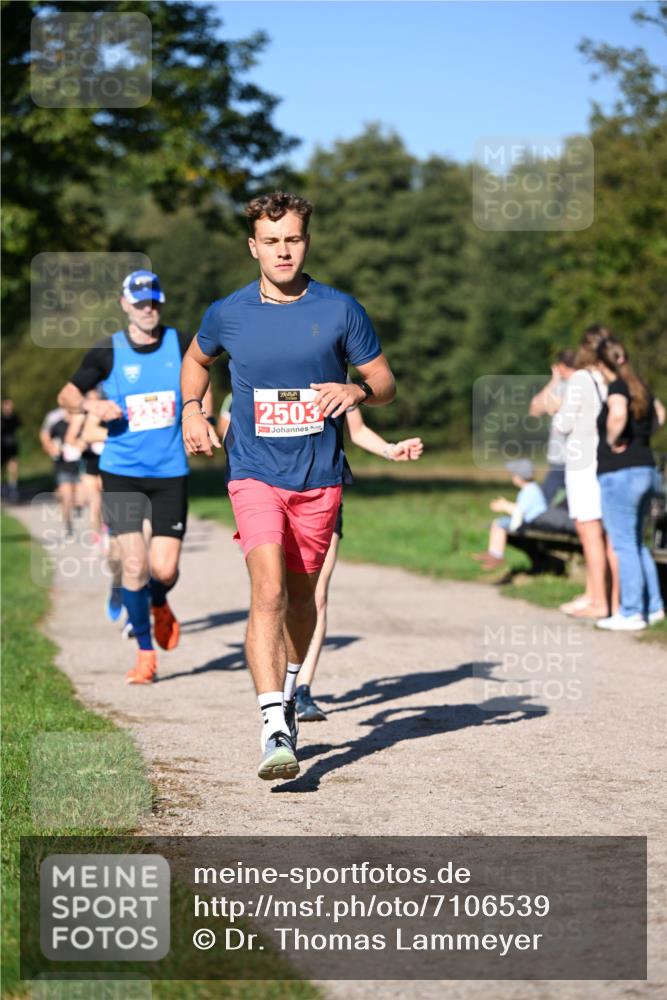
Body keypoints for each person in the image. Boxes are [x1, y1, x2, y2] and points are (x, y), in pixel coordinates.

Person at [181, 190, 396, 781]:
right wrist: (191, 412)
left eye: (293, 239)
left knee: (303, 602)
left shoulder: (340, 310)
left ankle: (294, 685)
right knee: (269, 591)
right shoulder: (228, 312)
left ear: (307, 241)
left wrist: (355, 391)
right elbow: (197, 362)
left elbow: (384, 382)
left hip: (319, 476)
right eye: (271, 241)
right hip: (252, 471)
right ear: (253, 246)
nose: (283, 251)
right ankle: (273, 722)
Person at [57, 270, 213, 684]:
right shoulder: (107, 351)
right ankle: (145, 654)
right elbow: (68, 395)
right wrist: (93, 409)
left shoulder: (181, 343)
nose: (148, 309)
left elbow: (203, 379)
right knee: (132, 561)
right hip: (121, 471)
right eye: (140, 302)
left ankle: (159, 602)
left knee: (164, 571)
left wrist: (202, 414)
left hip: (169, 472)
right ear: (125, 304)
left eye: (154, 302)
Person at [296, 408, 423, 721]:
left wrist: (390, 450)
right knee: (281, 594)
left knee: (317, 595)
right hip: (274, 490)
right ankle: (279, 685)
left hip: (326, 491)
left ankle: (302, 690)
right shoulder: (269, 370)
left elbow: (358, 430)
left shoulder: (339, 378)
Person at [595, 336, 665, 631]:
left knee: (624, 545)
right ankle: (655, 608)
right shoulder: (641, 386)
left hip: (621, 473)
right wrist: (641, 437)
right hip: (647, 469)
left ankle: (632, 612)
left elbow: (618, 413)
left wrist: (612, 442)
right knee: (637, 544)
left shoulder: (617, 387)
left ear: (601, 364)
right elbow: (661, 415)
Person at [551, 326, 614, 619]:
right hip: (608, 460)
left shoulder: (579, 378)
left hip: (583, 462)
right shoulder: (611, 377)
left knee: (589, 533)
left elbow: (564, 423)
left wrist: (555, 407)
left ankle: (597, 601)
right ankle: (602, 597)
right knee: (607, 534)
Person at [471, 459, 548, 570]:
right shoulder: (530, 489)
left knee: (499, 524)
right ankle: (493, 553)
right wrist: (506, 505)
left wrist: (504, 506)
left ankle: (496, 555)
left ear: (519, 477)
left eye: (514, 475)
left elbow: (519, 511)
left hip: (531, 522)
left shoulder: (530, 491)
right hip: (530, 521)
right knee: (498, 523)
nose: (513, 478)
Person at [529, 349, 576, 505]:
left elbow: (535, 409)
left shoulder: (564, 386)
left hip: (563, 457)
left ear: (562, 366)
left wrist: (553, 381)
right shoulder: (586, 383)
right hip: (577, 456)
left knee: (544, 500)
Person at [39, 406, 81, 540]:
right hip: (62, 465)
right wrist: (52, 449)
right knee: (67, 496)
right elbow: (45, 438)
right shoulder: (56, 421)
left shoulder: (81, 419)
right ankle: (68, 526)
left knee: (79, 498)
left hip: (80, 465)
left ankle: (74, 507)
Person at [1, 399, 21, 502]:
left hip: (11, 447)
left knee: (14, 467)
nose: (9, 408)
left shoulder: (14, 418)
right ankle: (3, 486)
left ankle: (13, 488)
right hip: (2, 447)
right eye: (7, 406)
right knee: (3, 469)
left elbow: (19, 425)